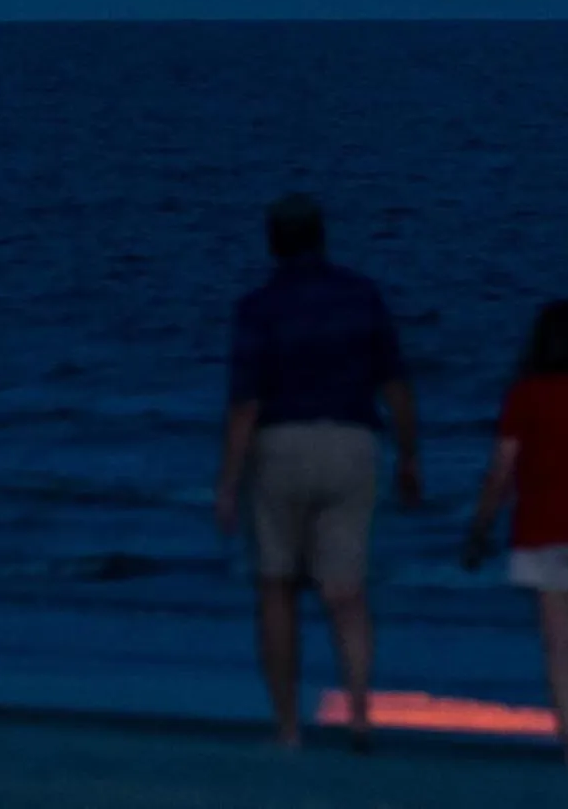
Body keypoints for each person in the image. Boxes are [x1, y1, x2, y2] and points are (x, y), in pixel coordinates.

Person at [216, 193, 423, 751]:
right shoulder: (362, 296)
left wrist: (228, 483)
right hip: (352, 441)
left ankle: (288, 728)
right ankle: (357, 712)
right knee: (346, 592)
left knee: (277, 587)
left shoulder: (258, 307)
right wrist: (408, 455)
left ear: (272, 243)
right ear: (322, 237)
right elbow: (395, 383)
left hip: (281, 444)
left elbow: (245, 404)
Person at [462, 299, 568, 767]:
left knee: (560, 642)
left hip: (546, 524)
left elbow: (501, 470)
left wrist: (480, 527)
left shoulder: (527, 393)